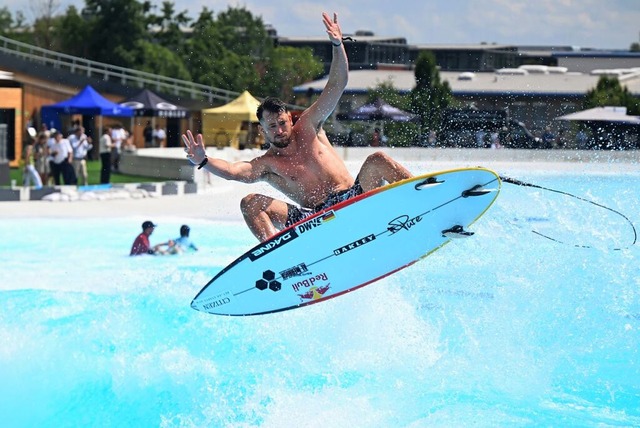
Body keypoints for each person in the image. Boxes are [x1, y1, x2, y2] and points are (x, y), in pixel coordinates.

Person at [182, 12, 412, 242]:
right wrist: (203, 161)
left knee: (378, 160)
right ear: (263, 131)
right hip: (315, 219)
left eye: (282, 123)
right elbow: (233, 172)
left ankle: (424, 200)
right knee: (250, 203)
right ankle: (276, 253)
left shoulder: (310, 125)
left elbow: (337, 84)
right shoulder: (267, 164)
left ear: (290, 120)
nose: (279, 129)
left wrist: (337, 44)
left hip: (352, 200)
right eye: (272, 126)